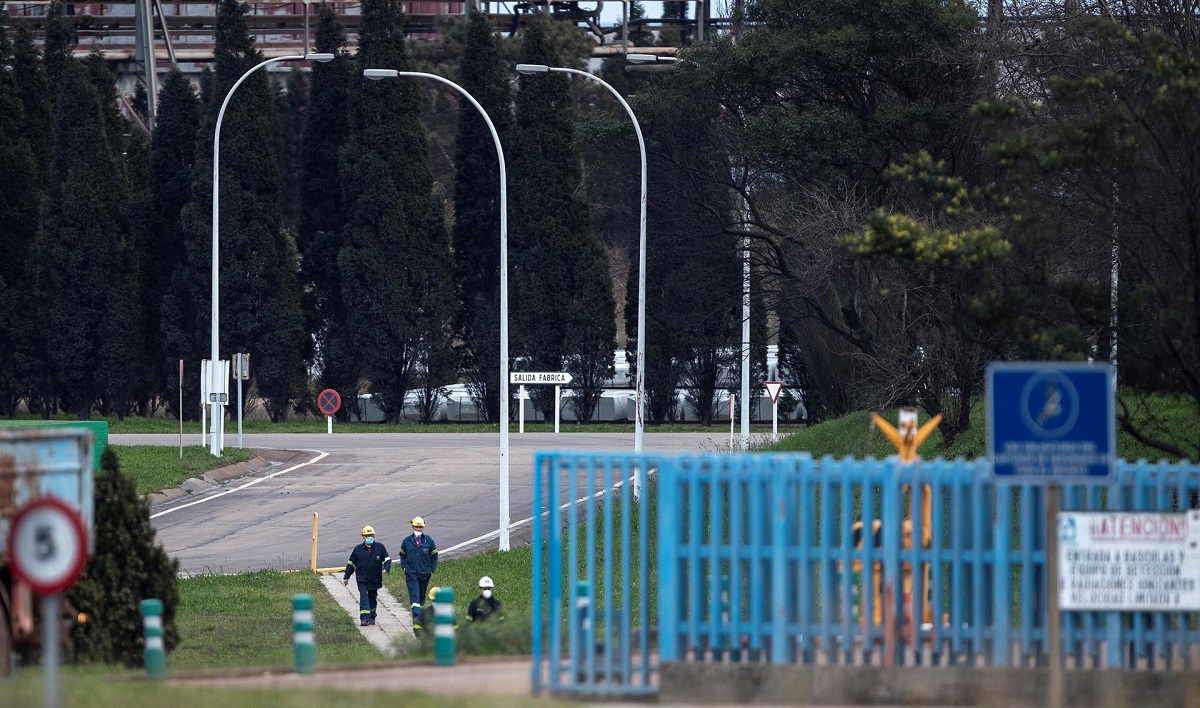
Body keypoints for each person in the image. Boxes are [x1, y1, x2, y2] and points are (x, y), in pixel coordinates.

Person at [343, 524, 391, 626]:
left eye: (371, 535)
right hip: (362, 578)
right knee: (364, 596)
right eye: (367, 536)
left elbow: (387, 559)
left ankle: (372, 616)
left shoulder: (380, 547)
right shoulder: (358, 549)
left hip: (375, 578)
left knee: (372, 597)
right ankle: (364, 618)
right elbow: (351, 563)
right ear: (363, 537)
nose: (370, 537)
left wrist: (386, 569)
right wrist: (346, 577)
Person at [398, 516, 438, 623]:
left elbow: (434, 555)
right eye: (416, 527)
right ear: (412, 527)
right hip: (411, 574)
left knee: (421, 596)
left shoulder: (428, 540)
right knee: (414, 594)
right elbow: (402, 555)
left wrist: (431, 570)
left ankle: (421, 615)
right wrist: (405, 568)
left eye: (420, 527)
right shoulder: (406, 541)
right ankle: (416, 616)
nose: (418, 529)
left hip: (425, 574)